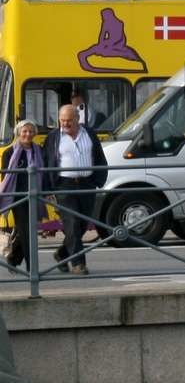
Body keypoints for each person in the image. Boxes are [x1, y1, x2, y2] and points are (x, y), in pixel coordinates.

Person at [43, 104, 107, 275]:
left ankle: (61, 254)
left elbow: (99, 156)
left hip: (87, 183)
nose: (65, 123)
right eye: (62, 120)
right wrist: (47, 188)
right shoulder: (54, 137)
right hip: (65, 185)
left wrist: (99, 178)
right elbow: (46, 161)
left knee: (83, 225)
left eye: (69, 120)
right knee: (71, 222)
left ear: (77, 119)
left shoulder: (89, 133)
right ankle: (78, 264)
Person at [0, 120, 51, 270]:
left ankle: (14, 258)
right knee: (27, 231)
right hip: (18, 198)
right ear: (18, 133)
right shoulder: (10, 152)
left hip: (35, 196)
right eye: (24, 131)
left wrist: (47, 192)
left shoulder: (39, 151)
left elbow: (45, 174)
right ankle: (31, 268)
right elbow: (6, 176)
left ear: (35, 133)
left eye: (30, 131)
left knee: (29, 231)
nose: (27, 134)